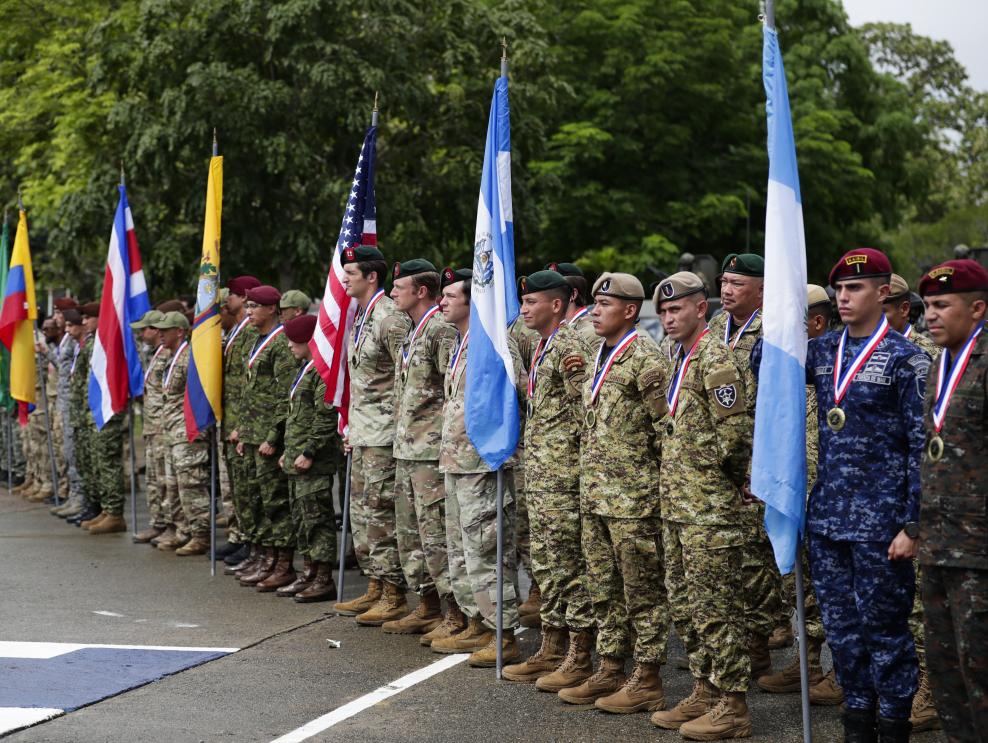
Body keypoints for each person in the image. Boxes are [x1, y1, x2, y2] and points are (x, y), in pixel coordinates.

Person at [806, 248, 928, 743]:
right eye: (838, 289)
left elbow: (921, 445)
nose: (844, 297)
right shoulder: (823, 348)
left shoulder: (907, 358)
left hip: (882, 525)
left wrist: (913, 524)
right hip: (829, 520)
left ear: (883, 293)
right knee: (843, 634)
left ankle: (896, 720)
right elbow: (762, 368)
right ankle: (857, 721)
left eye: (855, 288)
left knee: (886, 634)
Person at [555, 272, 669, 714]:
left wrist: (657, 494)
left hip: (633, 500)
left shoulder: (646, 359)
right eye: (596, 303)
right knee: (604, 588)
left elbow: (665, 433)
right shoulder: (596, 354)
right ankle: (609, 664)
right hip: (596, 494)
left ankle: (648, 676)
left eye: (606, 304)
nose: (596, 310)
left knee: (641, 591)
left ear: (629, 310)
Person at [650, 272, 754, 740]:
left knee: (716, 608)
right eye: (664, 311)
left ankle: (733, 704)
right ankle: (706, 688)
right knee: (685, 605)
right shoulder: (677, 355)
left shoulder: (716, 359)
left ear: (700, 308)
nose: (669, 318)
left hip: (708, 509)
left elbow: (735, 437)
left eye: (676, 310)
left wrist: (711, 478)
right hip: (677, 505)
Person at [503, 270, 594, 690]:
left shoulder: (570, 346)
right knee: (549, 564)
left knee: (568, 566)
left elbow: (586, 411)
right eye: (523, 302)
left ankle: (577, 655)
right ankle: (552, 647)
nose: (523, 309)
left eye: (531, 302)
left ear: (556, 305)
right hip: (542, 475)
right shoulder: (544, 345)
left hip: (563, 477)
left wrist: (579, 470)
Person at [430, 266, 523, 667]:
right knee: (460, 550)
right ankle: (477, 622)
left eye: (451, 296)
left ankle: (502, 632)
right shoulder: (460, 342)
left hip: (481, 464)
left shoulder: (494, 344)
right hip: (456, 461)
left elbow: (511, 397)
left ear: (474, 301)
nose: (443, 302)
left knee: (485, 550)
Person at [757, 286, 841, 705]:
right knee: (801, 585)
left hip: (825, 497)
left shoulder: (829, 369)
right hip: (795, 492)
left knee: (833, 591)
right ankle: (806, 662)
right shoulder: (788, 367)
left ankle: (842, 673)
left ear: (817, 324)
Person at [917, 259, 988, 743]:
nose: (931, 316)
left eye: (942, 305)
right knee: (946, 675)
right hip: (938, 546)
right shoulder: (939, 362)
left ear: (978, 308)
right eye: (926, 306)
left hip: (980, 553)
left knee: (982, 674)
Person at [707, 253, 782, 682]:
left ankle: (758, 646)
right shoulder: (716, 329)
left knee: (756, 561)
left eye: (737, 283)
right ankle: (732, 646)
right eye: (724, 281)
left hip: (758, 458)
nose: (727, 290)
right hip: (718, 460)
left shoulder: (771, 331)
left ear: (762, 290)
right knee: (728, 562)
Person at [331, 246, 412, 624]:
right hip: (364, 430)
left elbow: (407, 376)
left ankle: (394, 593)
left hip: (384, 433)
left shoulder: (390, 318)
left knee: (380, 512)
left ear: (371, 277)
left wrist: (396, 428)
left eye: (351, 273)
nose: (344, 279)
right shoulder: (362, 315)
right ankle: (376, 585)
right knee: (363, 513)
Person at [384, 259, 459, 636]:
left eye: (400, 286)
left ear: (421, 291)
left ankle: (453, 612)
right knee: (411, 534)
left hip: (429, 451)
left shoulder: (440, 331)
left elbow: (453, 390)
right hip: (407, 448)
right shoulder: (415, 330)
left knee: (436, 536)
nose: (393, 291)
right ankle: (427, 604)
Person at [883, 272, 942, 731]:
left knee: (922, 603)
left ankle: (930, 688)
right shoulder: (857, 351)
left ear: (905, 309)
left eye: (889, 305)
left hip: (926, 496)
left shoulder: (923, 355)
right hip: (875, 497)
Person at [231, 285, 298, 588]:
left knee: (274, 502)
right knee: (254, 499)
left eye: (255, 307)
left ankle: (282, 563)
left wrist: (273, 436)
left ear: (272, 309)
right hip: (253, 433)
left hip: (269, 437)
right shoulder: (256, 341)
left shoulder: (281, 343)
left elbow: (286, 395)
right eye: (247, 307)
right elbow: (250, 393)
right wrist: (244, 431)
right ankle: (263, 555)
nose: (249, 312)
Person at [277, 312, 342, 602]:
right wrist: (288, 452)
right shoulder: (306, 367)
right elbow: (296, 416)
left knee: (317, 519)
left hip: (313, 461)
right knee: (302, 519)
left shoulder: (321, 371)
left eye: (294, 340)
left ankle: (324, 578)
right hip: (297, 458)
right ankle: (309, 573)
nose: (290, 345)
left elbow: (324, 417)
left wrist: (308, 451)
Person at [151, 311, 212, 555]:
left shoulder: (190, 357)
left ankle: (200, 534)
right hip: (171, 431)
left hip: (188, 433)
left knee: (191, 485)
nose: (160, 335)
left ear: (180, 331)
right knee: (173, 485)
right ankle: (182, 529)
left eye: (165, 330)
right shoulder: (170, 357)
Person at [220, 276, 262, 572]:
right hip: (233, 416)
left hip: (243, 419)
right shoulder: (237, 329)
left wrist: (243, 424)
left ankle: (249, 540)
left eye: (233, 295)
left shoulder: (249, 331)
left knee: (248, 487)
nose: (226, 301)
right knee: (235, 486)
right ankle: (240, 535)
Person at [77, 301, 129, 535]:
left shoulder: (110, 340)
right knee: (99, 463)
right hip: (96, 411)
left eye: (88, 317)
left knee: (108, 463)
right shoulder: (95, 342)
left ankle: (115, 513)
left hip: (109, 411)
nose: (84, 322)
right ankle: (107, 510)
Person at [129, 309, 170, 543]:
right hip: (152, 426)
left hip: (164, 426)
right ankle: (159, 522)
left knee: (166, 480)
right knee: (154, 479)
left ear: (156, 330)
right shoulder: (155, 354)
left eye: (145, 329)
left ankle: (172, 525)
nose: (142, 333)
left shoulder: (168, 356)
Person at [66, 305, 100, 527]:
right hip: (80, 412)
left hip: (92, 413)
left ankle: (100, 507)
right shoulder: (85, 345)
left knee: (97, 463)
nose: (85, 321)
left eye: (89, 317)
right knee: (83, 461)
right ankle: (90, 504)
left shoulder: (96, 345)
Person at [50, 298, 83, 519]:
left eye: (58, 313)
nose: (55, 318)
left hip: (72, 401)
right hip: (64, 400)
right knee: (67, 451)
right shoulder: (64, 340)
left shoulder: (73, 340)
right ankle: (73, 495)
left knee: (73, 452)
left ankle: (79, 497)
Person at [884, 274, 939, 359]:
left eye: (882, 312)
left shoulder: (929, 353)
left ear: (904, 309)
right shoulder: (863, 345)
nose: (873, 318)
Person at [546, 262, 596, 347]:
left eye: (553, 291)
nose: (546, 297)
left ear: (573, 294)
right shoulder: (558, 328)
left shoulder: (591, 332)